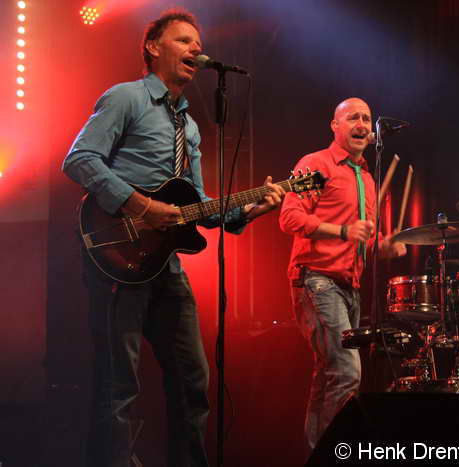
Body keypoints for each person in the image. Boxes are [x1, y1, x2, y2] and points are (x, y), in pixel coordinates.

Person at [62, 9, 284, 466]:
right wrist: (140, 206)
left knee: (192, 379)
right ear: (152, 47)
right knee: (119, 385)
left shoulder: (190, 126)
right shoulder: (126, 97)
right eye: (183, 41)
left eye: (197, 44)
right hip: (117, 252)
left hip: (165, 263)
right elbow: (80, 159)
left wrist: (247, 210)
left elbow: (196, 202)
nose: (195, 49)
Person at [279, 97, 406, 453]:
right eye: (353, 118)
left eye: (366, 118)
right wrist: (343, 231)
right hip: (316, 279)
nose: (362, 124)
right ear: (335, 126)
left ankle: (317, 453)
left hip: (349, 285)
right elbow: (289, 218)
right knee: (348, 371)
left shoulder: (366, 177)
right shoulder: (315, 164)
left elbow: (363, 239)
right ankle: (338, 453)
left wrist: (383, 246)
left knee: (329, 374)